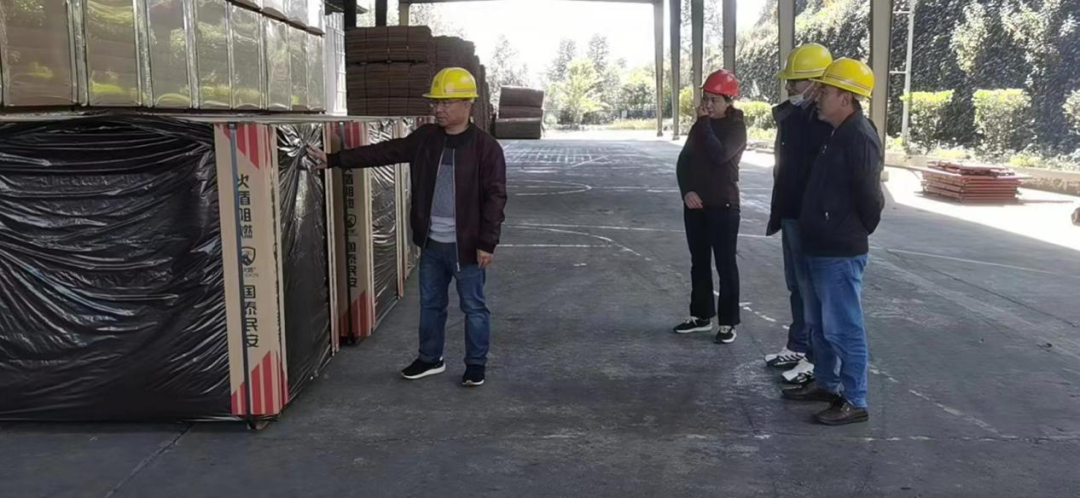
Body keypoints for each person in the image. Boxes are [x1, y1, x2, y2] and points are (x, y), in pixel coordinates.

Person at [309, 68, 508, 387]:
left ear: (467, 103)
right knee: (430, 305)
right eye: (435, 103)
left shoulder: (486, 148)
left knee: (473, 307)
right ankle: (430, 358)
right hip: (431, 244)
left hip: (468, 245)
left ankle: (475, 365)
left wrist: (488, 242)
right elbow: (385, 152)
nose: (438, 109)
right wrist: (335, 159)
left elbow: (495, 197)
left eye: (445, 103)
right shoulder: (426, 139)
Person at [781, 58, 885, 426]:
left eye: (825, 92)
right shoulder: (836, 131)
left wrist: (848, 229)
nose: (818, 98)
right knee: (819, 323)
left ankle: (855, 399)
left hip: (839, 249)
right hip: (819, 244)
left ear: (845, 98)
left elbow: (871, 199)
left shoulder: (859, 136)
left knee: (843, 327)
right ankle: (826, 382)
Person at [764, 43, 835, 386]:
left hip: (809, 217)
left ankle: (815, 358)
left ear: (817, 83)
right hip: (791, 211)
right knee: (797, 285)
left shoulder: (825, 122)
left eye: (796, 81)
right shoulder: (794, 115)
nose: (790, 87)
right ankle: (799, 344)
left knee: (812, 289)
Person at [672, 69, 747, 345]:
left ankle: (728, 323)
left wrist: (703, 123)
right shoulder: (700, 127)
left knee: (725, 265)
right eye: (706, 99)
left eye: (714, 100)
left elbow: (720, 155)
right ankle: (701, 315)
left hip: (723, 206)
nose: (708, 105)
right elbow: (684, 161)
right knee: (699, 262)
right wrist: (687, 191)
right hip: (696, 206)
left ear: (729, 102)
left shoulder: (736, 128)